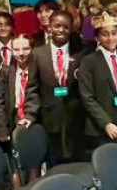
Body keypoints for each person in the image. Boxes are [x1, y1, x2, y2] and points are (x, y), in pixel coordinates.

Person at [77, 11, 117, 153]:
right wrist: (106, 124)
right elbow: (87, 97)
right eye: (105, 34)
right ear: (97, 37)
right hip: (101, 128)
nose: (110, 38)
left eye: (114, 33)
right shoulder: (89, 61)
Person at [32, 10, 85, 164]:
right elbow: (32, 87)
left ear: (71, 29)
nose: (61, 30)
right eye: (57, 26)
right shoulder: (37, 54)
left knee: (77, 163)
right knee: (54, 163)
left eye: (66, 27)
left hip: (76, 116)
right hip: (49, 117)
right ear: (49, 27)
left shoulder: (80, 53)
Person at [0, 34, 39, 162]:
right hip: (13, 121)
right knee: (14, 161)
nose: (21, 53)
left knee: (34, 160)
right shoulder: (6, 72)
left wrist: (31, 116)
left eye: (25, 49)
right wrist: (2, 130)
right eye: (17, 50)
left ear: (32, 49)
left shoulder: (38, 70)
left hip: (34, 121)